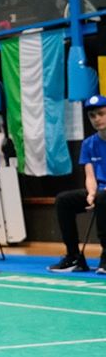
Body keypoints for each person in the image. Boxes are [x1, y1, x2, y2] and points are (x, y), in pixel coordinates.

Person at [48, 94, 106, 274]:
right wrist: (91, 194)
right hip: (99, 192)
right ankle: (74, 256)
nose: (96, 119)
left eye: (101, 114)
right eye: (92, 116)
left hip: (104, 196)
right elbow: (90, 175)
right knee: (64, 200)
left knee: (103, 198)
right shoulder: (88, 144)